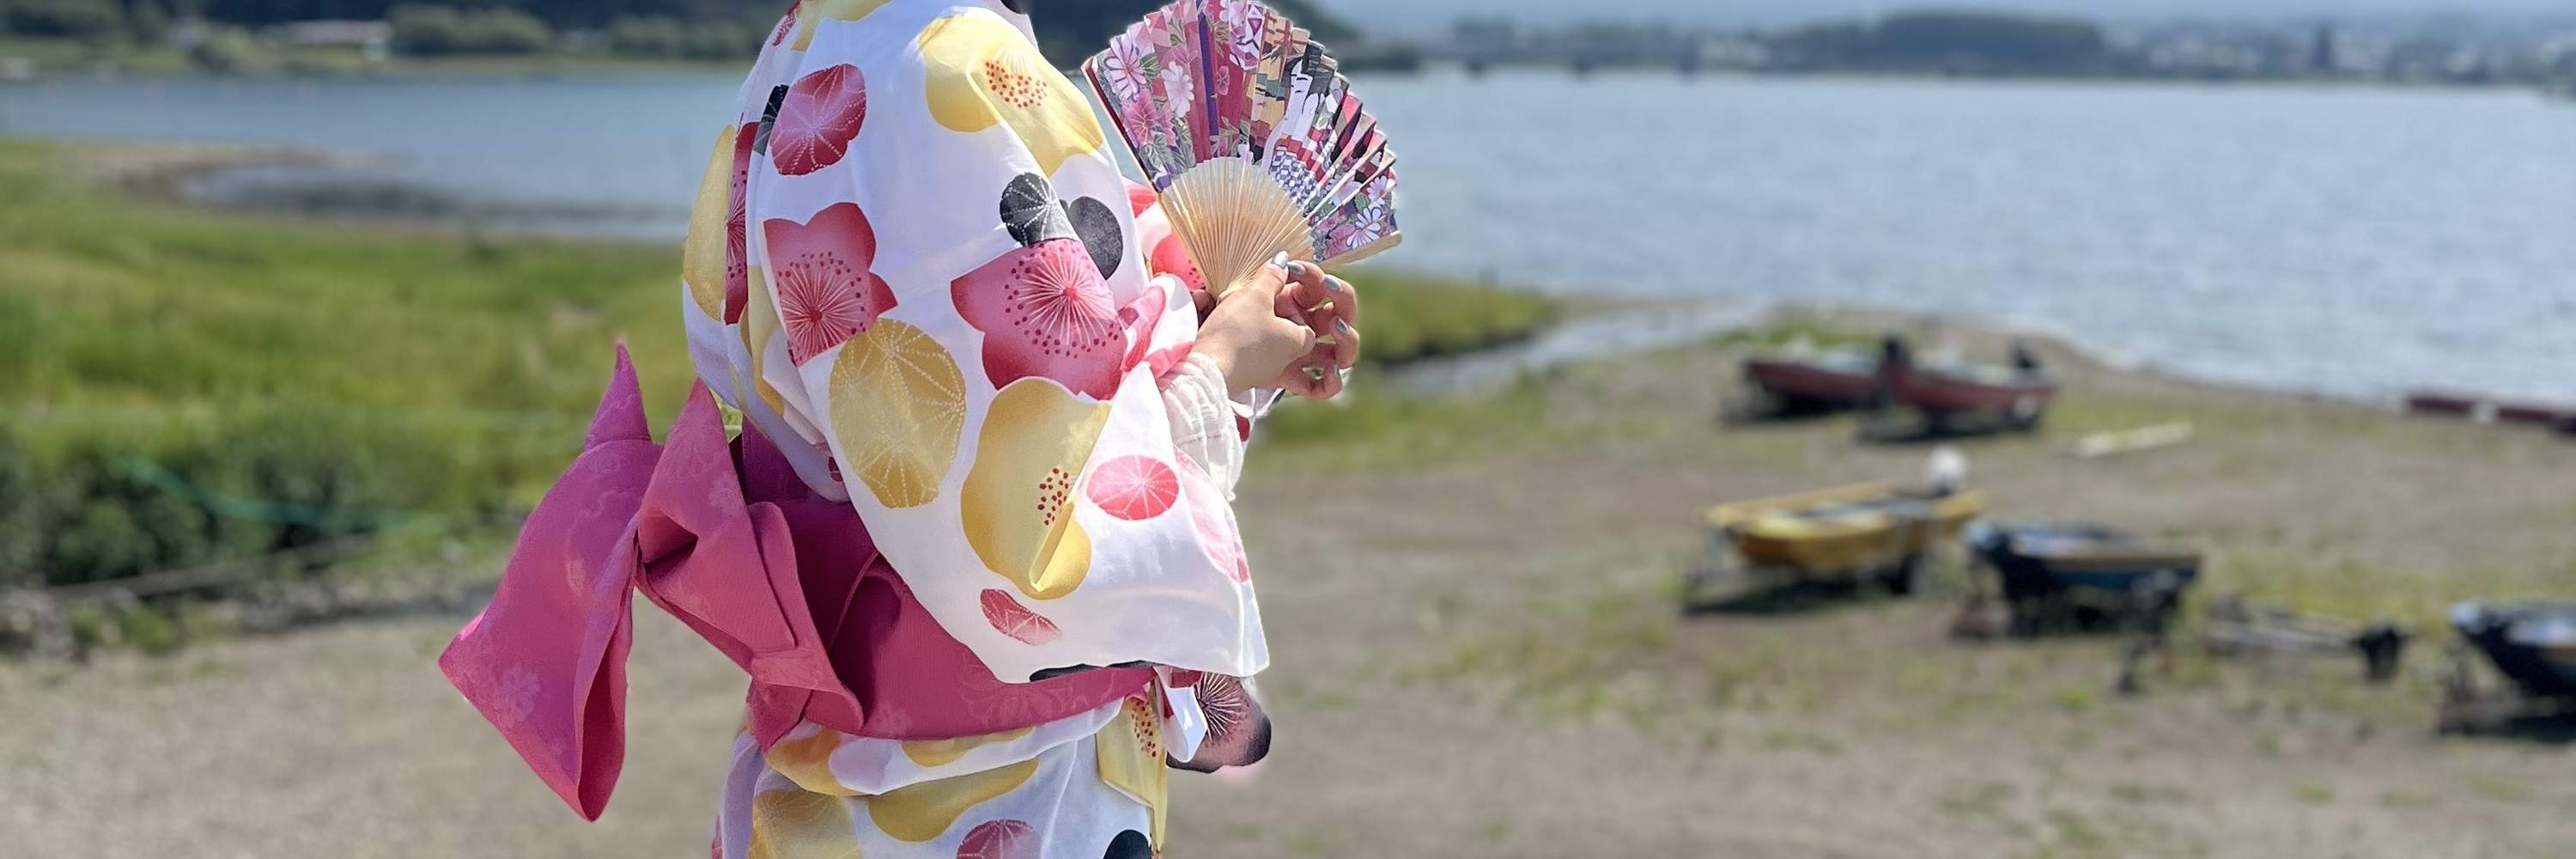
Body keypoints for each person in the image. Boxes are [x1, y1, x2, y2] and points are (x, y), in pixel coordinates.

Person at [438, 2, 1361, 856]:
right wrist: (1213, 373)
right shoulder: (934, 76)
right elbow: (1030, 553)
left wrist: (1217, 330)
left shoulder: (827, 43)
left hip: (868, 774)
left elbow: (964, 412)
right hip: (992, 779)